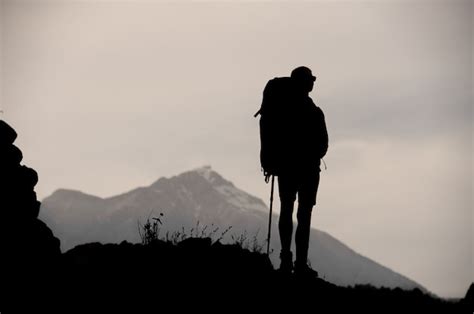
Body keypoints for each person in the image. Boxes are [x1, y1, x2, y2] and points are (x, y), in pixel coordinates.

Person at [265, 66, 329, 276]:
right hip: (308, 170)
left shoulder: (282, 111)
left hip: (286, 168)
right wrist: (309, 155)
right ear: (305, 83)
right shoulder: (314, 112)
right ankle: (300, 264)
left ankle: (286, 259)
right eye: (311, 79)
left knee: (286, 209)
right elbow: (323, 145)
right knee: (304, 214)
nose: (313, 83)